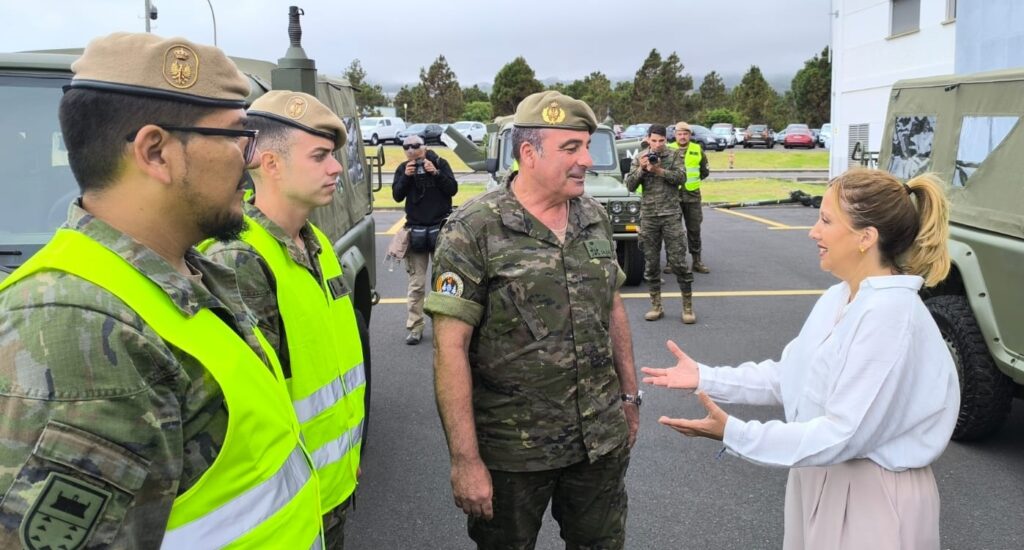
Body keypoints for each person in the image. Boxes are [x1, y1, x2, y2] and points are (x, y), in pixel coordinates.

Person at [0, 34, 322, 547]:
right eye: (240, 137)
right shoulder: (79, 330)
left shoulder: (189, 273)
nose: (253, 159)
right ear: (156, 152)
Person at [642, 169, 959, 549]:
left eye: (826, 220)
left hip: (871, 496)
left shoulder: (891, 314)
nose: (813, 231)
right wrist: (706, 378)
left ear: (866, 237)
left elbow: (842, 434)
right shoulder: (841, 296)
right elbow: (790, 376)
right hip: (819, 475)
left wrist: (735, 432)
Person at [424, 90, 640, 549]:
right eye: (571, 149)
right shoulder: (474, 229)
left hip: (598, 442)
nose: (586, 160)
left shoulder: (594, 217)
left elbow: (613, 306)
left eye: (587, 146)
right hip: (513, 454)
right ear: (528, 153)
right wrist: (465, 460)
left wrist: (629, 396)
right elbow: (449, 349)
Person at [201, 91, 365, 549]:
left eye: (333, 155)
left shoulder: (316, 245)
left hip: (331, 489)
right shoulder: (240, 259)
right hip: (288, 509)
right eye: (320, 156)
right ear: (269, 164)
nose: (336, 168)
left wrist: (349, 451)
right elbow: (252, 413)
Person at [625, 124, 697, 324]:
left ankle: (687, 306)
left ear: (666, 140)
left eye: (661, 141)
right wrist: (642, 168)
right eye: (654, 140)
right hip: (648, 216)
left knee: (679, 262)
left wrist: (658, 170)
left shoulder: (674, 155)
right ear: (647, 139)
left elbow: (681, 178)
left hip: (671, 214)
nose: (657, 145)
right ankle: (656, 306)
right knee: (651, 263)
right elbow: (630, 185)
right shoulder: (640, 157)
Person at [392, 134, 458, 345]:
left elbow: (453, 189)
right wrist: (407, 177)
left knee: (444, 283)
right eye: (406, 147)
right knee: (417, 284)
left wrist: (436, 173)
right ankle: (415, 326)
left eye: (415, 146)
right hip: (416, 232)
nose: (411, 149)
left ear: (425, 146)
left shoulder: (440, 163)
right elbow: (396, 195)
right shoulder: (403, 169)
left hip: (440, 230)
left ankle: (446, 327)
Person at [667, 121, 711, 273]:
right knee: (673, 231)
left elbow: (704, 171)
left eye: (686, 134)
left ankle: (697, 261)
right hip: (672, 198)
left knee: (694, 230)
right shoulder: (668, 149)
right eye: (680, 134)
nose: (683, 136)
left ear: (690, 135)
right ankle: (672, 263)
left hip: (692, 197)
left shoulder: (697, 149)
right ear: (675, 135)